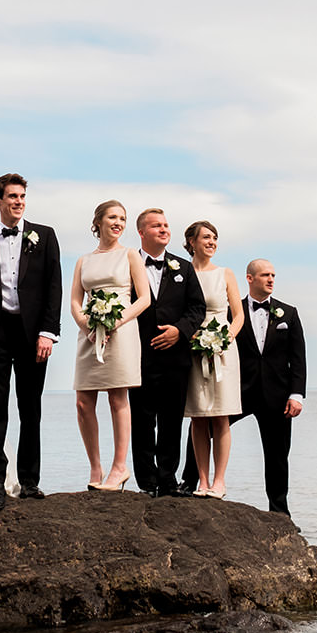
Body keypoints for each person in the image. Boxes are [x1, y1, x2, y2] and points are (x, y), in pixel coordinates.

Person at [0, 173, 62, 511]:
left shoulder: (46, 236)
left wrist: (48, 333)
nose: (18, 201)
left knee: (30, 408)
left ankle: (30, 482)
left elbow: (55, 286)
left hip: (32, 335)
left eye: (22, 196)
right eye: (12, 196)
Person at [68, 200, 152, 490]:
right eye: (113, 217)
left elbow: (144, 299)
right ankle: (95, 468)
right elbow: (76, 302)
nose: (118, 223)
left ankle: (119, 468)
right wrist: (87, 325)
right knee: (82, 402)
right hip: (89, 334)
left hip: (122, 331)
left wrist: (117, 322)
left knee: (118, 398)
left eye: (122, 219)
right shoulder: (83, 260)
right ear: (98, 222)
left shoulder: (130, 255)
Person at [130, 208, 206, 496]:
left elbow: (197, 308)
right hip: (139, 355)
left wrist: (180, 331)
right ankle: (146, 482)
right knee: (142, 420)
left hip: (176, 357)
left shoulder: (183, 267)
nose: (163, 230)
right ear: (142, 232)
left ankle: (168, 479)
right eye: (156, 226)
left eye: (165, 225)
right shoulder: (129, 263)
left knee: (172, 420)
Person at [237, 259, 306, 516]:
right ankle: (190, 484)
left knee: (277, 456)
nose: (271, 280)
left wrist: (296, 395)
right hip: (239, 391)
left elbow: (298, 358)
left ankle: (280, 512)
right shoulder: (234, 311)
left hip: (277, 397)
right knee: (205, 430)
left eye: (273, 275)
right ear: (250, 278)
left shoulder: (289, 313)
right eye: (265, 275)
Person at [180, 220, 244, 498]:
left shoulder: (225, 274)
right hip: (192, 349)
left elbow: (238, 315)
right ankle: (202, 480)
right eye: (206, 237)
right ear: (192, 242)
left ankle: (220, 481)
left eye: (215, 237)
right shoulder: (183, 273)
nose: (212, 242)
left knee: (221, 415)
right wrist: (192, 338)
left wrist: (224, 339)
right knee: (198, 416)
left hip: (223, 352)